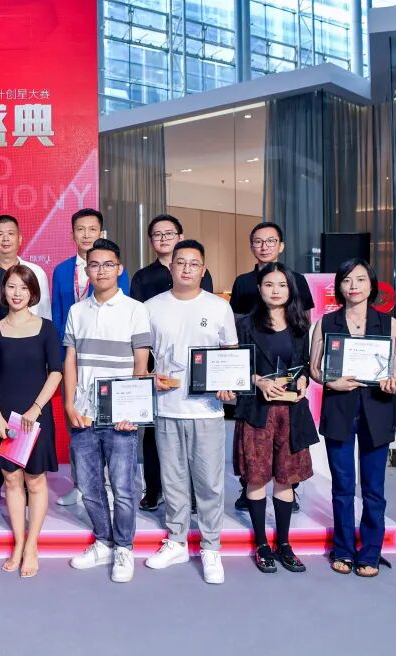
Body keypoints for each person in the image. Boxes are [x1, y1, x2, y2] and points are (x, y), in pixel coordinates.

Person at [144, 239, 233, 584]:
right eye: (180, 262)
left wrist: (228, 384)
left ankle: (211, 547)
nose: (186, 269)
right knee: (173, 480)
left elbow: (229, 355)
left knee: (209, 482)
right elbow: (142, 358)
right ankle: (177, 540)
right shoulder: (151, 307)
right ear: (171, 267)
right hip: (167, 407)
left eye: (194, 264)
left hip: (207, 410)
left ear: (203, 269)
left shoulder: (219, 307)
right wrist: (149, 377)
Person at [64, 238, 151, 583]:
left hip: (121, 415)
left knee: (124, 488)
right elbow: (70, 360)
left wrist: (134, 410)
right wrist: (68, 404)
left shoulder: (135, 309)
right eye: (94, 264)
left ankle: (124, 547)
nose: (101, 270)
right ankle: (103, 540)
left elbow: (141, 364)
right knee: (89, 486)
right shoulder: (77, 311)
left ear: (119, 268)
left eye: (108, 264)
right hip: (83, 413)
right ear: (86, 269)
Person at [310, 258, 396, 578]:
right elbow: (314, 368)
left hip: (377, 407)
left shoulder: (388, 323)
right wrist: (330, 382)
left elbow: (391, 369)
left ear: (372, 284)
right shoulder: (326, 322)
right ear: (339, 286)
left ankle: (371, 552)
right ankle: (344, 549)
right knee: (343, 485)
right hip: (339, 406)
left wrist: (393, 381)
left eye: (361, 279)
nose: (354, 286)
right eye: (347, 280)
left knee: (374, 487)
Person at [234, 263, 319, 575]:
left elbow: (304, 365)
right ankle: (261, 544)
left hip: (291, 413)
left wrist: (303, 380)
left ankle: (284, 543)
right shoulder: (245, 325)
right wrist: (258, 381)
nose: (275, 290)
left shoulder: (300, 325)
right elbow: (235, 366)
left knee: (286, 478)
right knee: (256, 477)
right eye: (269, 284)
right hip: (257, 411)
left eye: (282, 285)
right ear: (259, 289)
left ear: (290, 289)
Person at [0, 265, 63, 578]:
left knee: (35, 480)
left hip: (34, 417)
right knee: (12, 480)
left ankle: (31, 545)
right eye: (12, 286)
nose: (17, 293)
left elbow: (56, 372)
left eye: (24, 288)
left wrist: (35, 409)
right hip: (5, 417)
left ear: (33, 293)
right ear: (4, 290)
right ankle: (18, 543)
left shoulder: (46, 329)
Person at [0, 214, 51, 508]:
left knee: (27, 425)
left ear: (20, 238)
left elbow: (45, 316)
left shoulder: (36, 272)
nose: (5, 239)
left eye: (10, 233)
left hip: (26, 360)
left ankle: (26, 482)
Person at [131, 214, 214, 512]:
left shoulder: (200, 272)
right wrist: (143, 369)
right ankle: (154, 489)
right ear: (151, 241)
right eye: (157, 234)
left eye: (169, 233)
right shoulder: (142, 277)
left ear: (180, 236)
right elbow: (137, 322)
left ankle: (191, 493)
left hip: (193, 364)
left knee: (191, 434)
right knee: (154, 431)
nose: (163, 238)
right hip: (156, 363)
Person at [230, 221, 314, 514]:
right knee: (254, 462)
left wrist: (301, 376)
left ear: (281, 245)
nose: (264, 246)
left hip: (288, 390)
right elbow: (235, 340)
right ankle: (250, 491)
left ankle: (288, 490)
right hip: (255, 385)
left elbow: (302, 333)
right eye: (258, 241)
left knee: (287, 461)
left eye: (271, 240)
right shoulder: (243, 283)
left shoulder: (297, 281)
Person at [51, 208, 130, 507]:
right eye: (80, 229)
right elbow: (58, 316)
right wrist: (61, 360)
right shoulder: (61, 271)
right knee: (76, 422)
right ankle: (80, 483)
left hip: (109, 361)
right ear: (72, 234)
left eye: (92, 229)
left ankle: (109, 484)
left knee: (110, 424)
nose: (86, 235)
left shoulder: (115, 270)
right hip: (73, 360)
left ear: (101, 232)